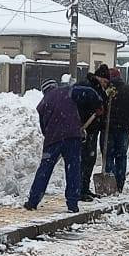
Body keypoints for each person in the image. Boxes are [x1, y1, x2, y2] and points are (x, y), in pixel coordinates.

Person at [27, 76, 95, 211]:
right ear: (55, 85)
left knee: (44, 170)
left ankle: (33, 201)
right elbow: (89, 92)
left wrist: (52, 138)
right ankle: (73, 204)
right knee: (73, 169)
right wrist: (98, 104)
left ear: (44, 91)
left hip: (54, 139)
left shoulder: (42, 104)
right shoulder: (68, 91)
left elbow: (44, 128)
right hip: (73, 137)